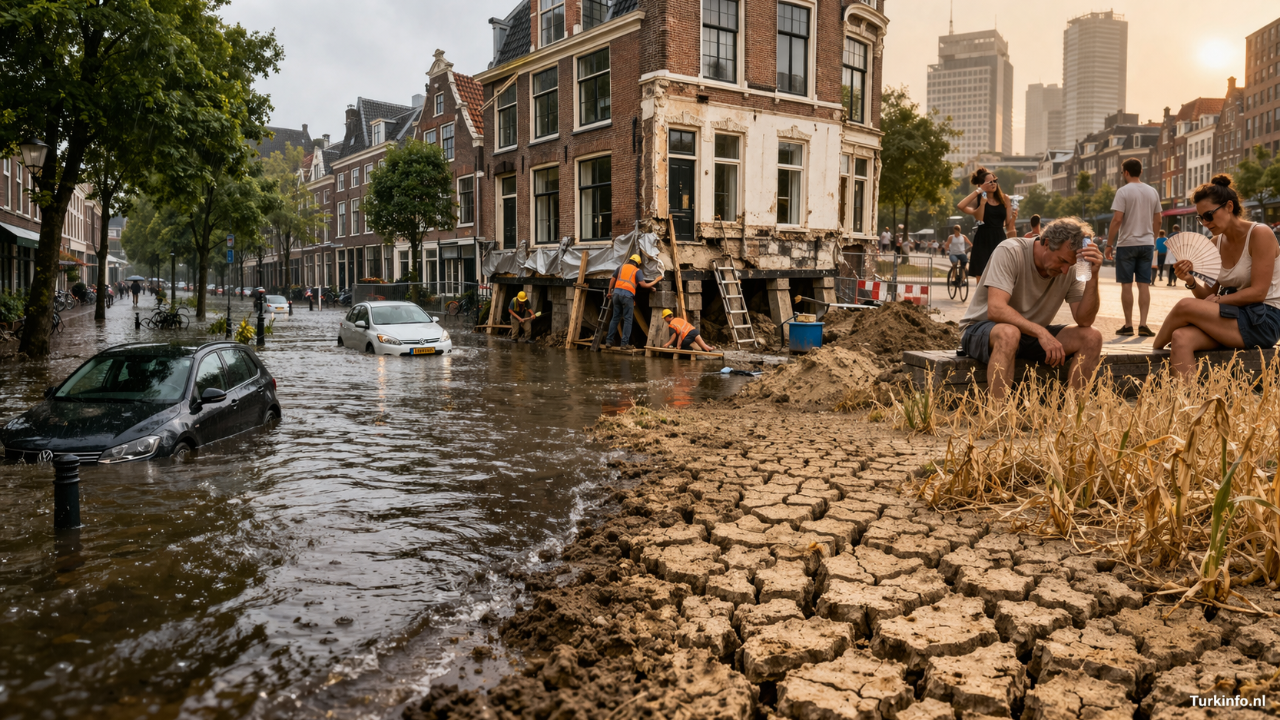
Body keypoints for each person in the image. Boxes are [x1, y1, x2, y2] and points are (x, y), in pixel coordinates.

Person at [958, 218, 1104, 401]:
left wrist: (1093, 277)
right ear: (1047, 243)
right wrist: (1041, 332)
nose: (1066, 270)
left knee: (1092, 336)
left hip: (1030, 335)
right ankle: (998, 417)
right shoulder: (1011, 251)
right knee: (1009, 333)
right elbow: (996, 310)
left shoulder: (1070, 267)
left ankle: (1074, 414)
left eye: (1071, 264)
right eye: (1062, 261)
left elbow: (1084, 320)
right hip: (982, 328)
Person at [1153, 175, 1280, 379]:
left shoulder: (1260, 234)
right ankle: (1188, 406)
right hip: (1231, 317)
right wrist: (1190, 281)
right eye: (1200, 218)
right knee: (1180, 337)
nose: (1205, 222)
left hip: (1263, 319)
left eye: (1209, 215)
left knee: (1185, 306)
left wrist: (1219, 300)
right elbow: (1207, 297)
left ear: (1229, 206)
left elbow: (1258, 292)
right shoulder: (1215, 243)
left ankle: (1153, 351)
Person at [1104, 158, 1162, 337]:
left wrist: (1108, 244)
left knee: (1127, 285)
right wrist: (1151, 239)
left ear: (1126, 172)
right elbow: (1158, 220)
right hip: (1146, 244)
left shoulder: (1123, 192)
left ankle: (1128, 325)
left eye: (1122, 173)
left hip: (1127, 244)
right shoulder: (1153, 192)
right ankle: (1143, 325)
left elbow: (1117, 219)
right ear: (1141, 172)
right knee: (1144, 285)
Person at [958, 167, 1016, 282]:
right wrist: (979, 191)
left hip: (999, 239)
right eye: (990, 182)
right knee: (982, 279)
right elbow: (961, 206)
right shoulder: (978, 200)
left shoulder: (1005, 199)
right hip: (983, 241)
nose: (993, 183)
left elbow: (1008, 225)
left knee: (1000, 278)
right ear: (981, 184)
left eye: (995, 180)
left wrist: (1013, 218)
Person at [606, 254, 657, 349]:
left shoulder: (621, 267)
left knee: (615, 318)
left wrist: (609, 292)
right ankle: (624, 344)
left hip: (616, 295)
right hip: (627, 296)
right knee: (628, 320)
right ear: (637, 264)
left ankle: (609, 341)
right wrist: (652, 285)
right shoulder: (637, 271)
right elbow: (643, 285)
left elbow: (612, 279)